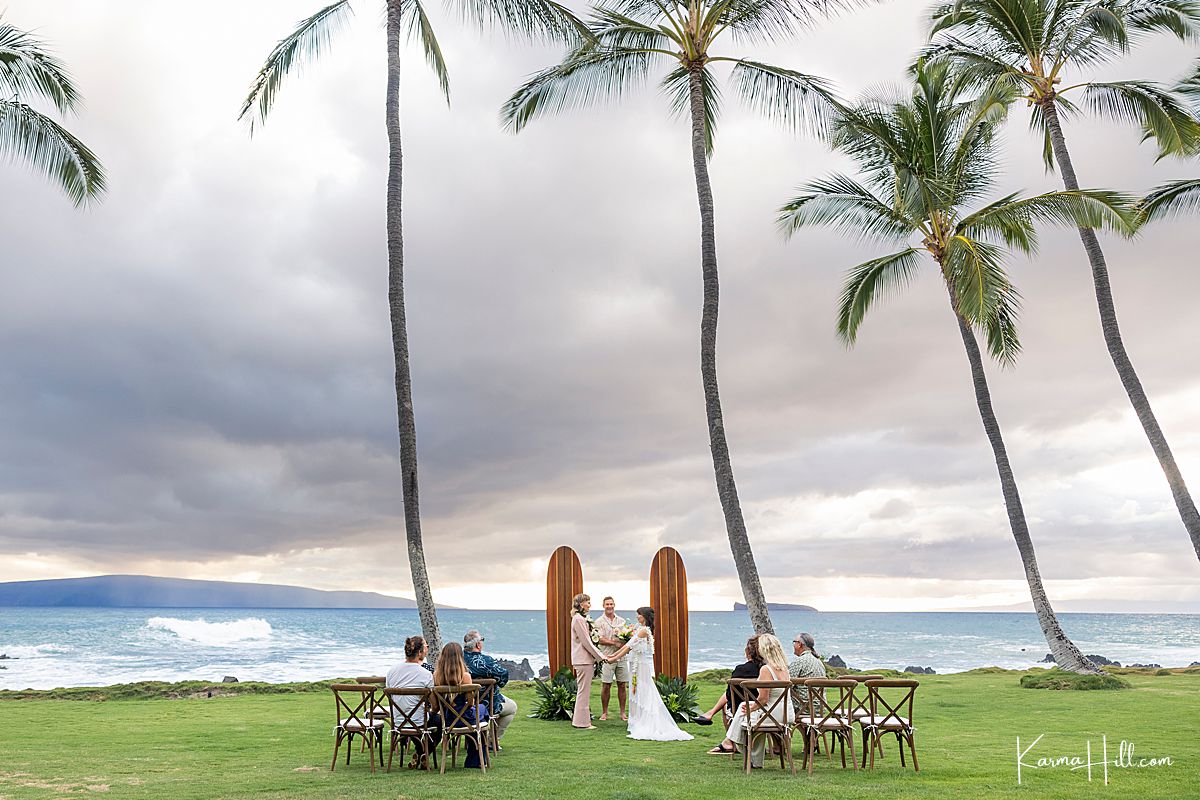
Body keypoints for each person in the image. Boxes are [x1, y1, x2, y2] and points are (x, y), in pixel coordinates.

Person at [606, 606, 693, 741]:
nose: (637, 617)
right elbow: (626, 647)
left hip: (640, 666)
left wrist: (613, 659)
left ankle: (643, 721)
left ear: (645, 616)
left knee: (643, 691)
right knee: (636, 691)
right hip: (635, 665)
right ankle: (636, 719)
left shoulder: (643, 631)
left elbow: (628, 646)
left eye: (639, 615)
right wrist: (612, 657)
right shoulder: (640, 630)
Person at [707, 634, 793, 767]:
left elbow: (763, 699)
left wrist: (752, 708)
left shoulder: (766, 669)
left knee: (745, 711)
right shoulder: (784, 669)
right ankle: (755, 761)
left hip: (771, 715)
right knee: (745, 709)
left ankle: (731, 740)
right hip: (785, 713)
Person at [432, 642, 490, 769]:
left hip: (447, 719)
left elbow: (435, 706)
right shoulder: (465, 676)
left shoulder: (436, 676)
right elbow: (470, 703)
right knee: (483, 710)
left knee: (479, 714)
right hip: (465, 717)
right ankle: (476, 759)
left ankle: (476, 757)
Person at [386, 635, 438, 769]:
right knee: (439, 721)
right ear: (420, 653)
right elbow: (435, 705)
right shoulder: (425, 674)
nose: (427, 650)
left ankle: (419, 753)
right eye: (425, 648)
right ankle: (423, 753)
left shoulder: (392, 671)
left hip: (397, 721)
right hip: (419, 722)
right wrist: (430, 712)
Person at [462, 629, 518, 745]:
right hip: (487, 704)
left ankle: (474, 740)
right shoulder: (487, 662)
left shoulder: (457, 661)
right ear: (478, 644)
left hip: (461, 705)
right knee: (512, 707)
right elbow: (503, 675)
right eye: (482, 640)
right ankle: (492, 741)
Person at [695, 635, 763, 726]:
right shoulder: (769, 670)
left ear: (747, 652)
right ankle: (710, 713)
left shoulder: (740, 669)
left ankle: (730, 737)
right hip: (767, 711)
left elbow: (729, 695)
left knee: (726, 703)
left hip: (742, 709)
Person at [570, 593, 606, 730]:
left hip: (584, 659)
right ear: (581, 604)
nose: (590, 605)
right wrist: (600, 656)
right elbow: (586, 642)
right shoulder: (579, 619)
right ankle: (582, 723)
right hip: (583, 660)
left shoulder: (579, 618)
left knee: (583, 691)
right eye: (588, 602)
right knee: (583, 692)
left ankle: (580, 721)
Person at [594, 596, 630, 721]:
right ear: (603, 606)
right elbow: (599, 639)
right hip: (607, 657)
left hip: (622, 657)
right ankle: (604, 712)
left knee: (622, 684)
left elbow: (627, 637)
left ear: (614, 605)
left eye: (611, 604)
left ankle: (622, 712)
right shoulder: (599, 622)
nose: (609, 606)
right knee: (606, 685)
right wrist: (614, 643)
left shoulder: (621, 620)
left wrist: (625, 639)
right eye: (607, 604)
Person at [788, 631, 826, 716]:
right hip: (819, 707)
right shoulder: (818, 661)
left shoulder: (799, 661)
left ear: (799, 644)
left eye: (794, 642)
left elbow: (787, 685)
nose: (793, 645)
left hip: (804, 708)